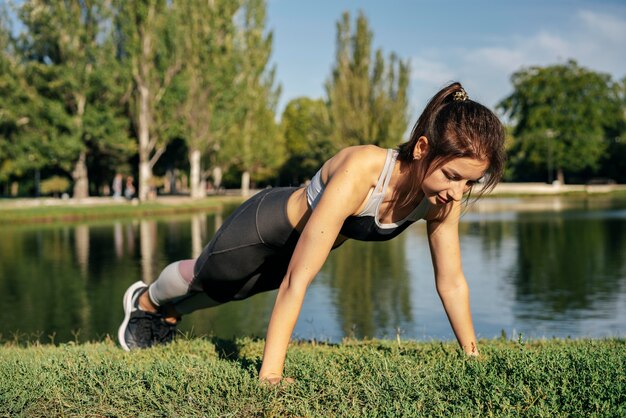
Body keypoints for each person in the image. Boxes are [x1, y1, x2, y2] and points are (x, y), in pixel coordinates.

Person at [117, 82, 505, 384]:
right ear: (422, 148)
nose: (457, 192)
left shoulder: (441, 200)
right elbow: (298, 281)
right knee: (208, 275)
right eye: (453, 176)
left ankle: (165, 318)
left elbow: (451, 282)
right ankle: (146, 300)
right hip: (263, 228)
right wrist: (270, 374)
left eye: (469, 184)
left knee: (229, 293)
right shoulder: (363, 171)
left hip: (300, 248)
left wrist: (472, 356)